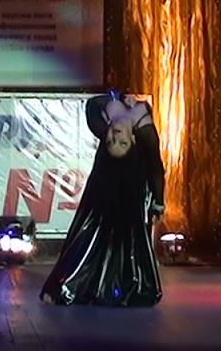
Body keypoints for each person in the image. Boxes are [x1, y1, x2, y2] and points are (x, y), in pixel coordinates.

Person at [39, 90, 165, 307]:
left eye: (115, 141)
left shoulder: (114, 127)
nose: (114, 136)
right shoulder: (138, 130)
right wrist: (120, 98)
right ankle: (69, 284)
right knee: (91, 232)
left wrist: (158, 202)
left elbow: (156, 168)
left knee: (125, 238)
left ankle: (124, 286)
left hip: (129, 184)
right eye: (116, 141)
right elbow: (156, 168)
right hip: (106, 180)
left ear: (133, 140)